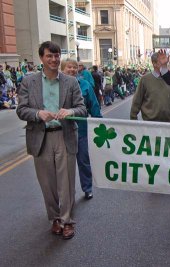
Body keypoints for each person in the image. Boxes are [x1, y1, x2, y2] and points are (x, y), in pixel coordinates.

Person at [16, 41, 87, 239]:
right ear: (41, 58)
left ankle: (67, 221)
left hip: (64, 136)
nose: (54, 60)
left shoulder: (70, 82)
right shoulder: (28, 82)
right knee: (47, 183)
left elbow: (82, 108)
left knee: (66, 183)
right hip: (41, 137)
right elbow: (21, 110)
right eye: (49, 56)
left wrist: (70, 111)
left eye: (56, 56)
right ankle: (55, 218)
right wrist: (38, 114)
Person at [61, 58, 102, 200]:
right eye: (68, 67)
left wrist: (99, 124)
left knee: (84, 161)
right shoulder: (57, 86)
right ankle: (67, 193)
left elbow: (94, 106)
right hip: (62, 132)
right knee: (64, 165)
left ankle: (87, 188)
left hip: (82, 131)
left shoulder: (84, 85)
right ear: (62, 69)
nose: (72, 69)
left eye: (74, 67)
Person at [130, 52, 170, 122]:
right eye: (162, 61)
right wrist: (133, 120)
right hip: (150, 124)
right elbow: (137, 101)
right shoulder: (145, 79)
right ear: (154, 63)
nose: (165, 63)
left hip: (168, 124)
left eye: (166, 61)